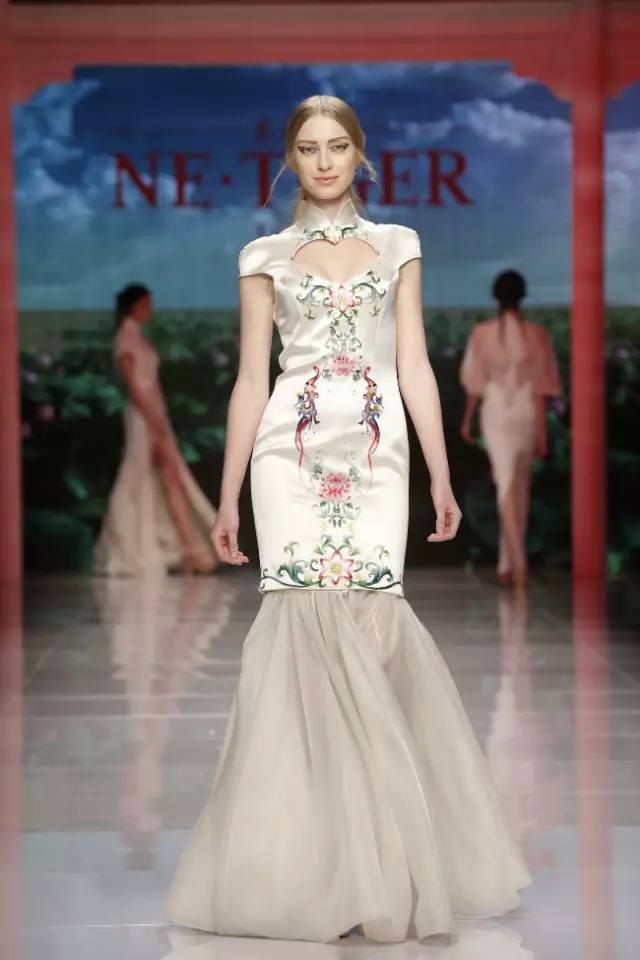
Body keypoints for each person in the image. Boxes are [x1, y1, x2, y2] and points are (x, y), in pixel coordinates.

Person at [165, 96, 530, 944]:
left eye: (337, 146)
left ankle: (377, 864)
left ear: (361, 155)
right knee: (302, 642)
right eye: (308, 148)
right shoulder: (263, 254)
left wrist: (441, 473)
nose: (324, 161)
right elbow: (251, 380)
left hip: (375, 458)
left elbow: (413, 364)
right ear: (290, 160)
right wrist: (227, 493)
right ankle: (310, 869)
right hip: (287, 459)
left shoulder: (399, 244)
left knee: (371, 635)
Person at [94, 284, 218, 576]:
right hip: (143, 416)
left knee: (171, 476)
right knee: (140, 476)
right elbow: (133, 385)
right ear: (134, 306)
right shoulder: (125, 338)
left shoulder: (137, 336)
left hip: (155, 413)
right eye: (146, 305)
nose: (150, 310)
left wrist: (159, 417)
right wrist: (152, 418)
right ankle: (147, 547)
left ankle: (189, 547)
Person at [460, 271, 563, 591]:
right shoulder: (538, 335)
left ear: (496, 297)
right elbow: (542, 390)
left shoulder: (482, 334)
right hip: (525, 413)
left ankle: (512, 562)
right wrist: (543, 433)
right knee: (516, 488)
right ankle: (515, 562)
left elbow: (475, 383)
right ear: (522, 296)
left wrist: (468, 418)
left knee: (510, 486)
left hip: (497, 414)